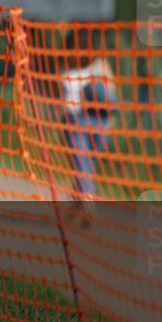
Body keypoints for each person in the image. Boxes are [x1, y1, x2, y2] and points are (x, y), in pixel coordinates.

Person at [58, 27, 118, 201]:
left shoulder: (67, 66)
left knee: (83, 165)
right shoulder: (99, 63)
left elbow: (61, 99)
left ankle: (83, 202)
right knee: (85, 165)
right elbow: (112, 92)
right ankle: (84, 201)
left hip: (82, 120)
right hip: (95, 121)